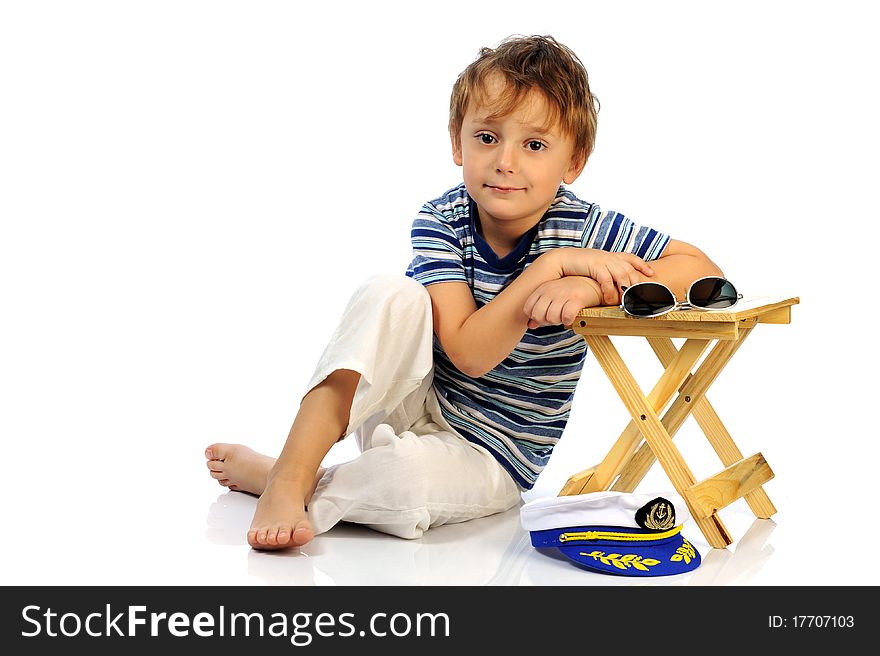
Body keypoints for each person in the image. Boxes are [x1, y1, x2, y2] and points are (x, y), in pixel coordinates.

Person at [205, 34, 724, 550]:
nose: (506, 161)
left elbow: (701, 268)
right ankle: (291, 476)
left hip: (493, 455)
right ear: (457, 142)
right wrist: (550, 267)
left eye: (535, 145)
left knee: (401, 481)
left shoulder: (585, 229)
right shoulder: (442, 219)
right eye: (487, 137)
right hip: (416, 398)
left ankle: (282, 476)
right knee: (390, 292)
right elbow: (469, 353)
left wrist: (590, 284)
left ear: (574, 162)